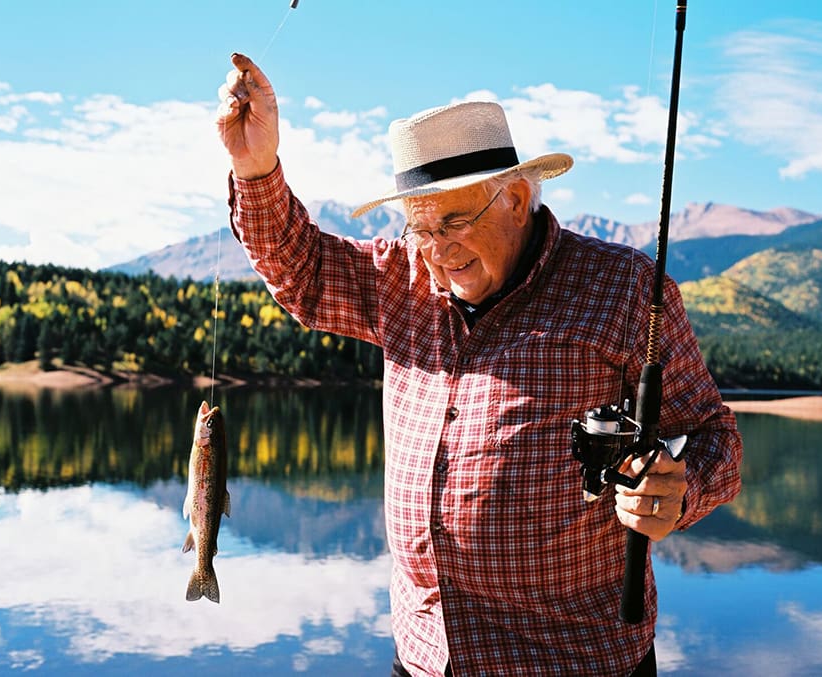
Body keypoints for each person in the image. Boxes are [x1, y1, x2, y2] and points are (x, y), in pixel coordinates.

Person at [216, 52, 742, 677]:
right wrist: (254, 167)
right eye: (420, 227)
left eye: (455, 221)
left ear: (517, 199)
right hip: (425, 659)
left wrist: (680, 490)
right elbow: (300, 267)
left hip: (575, 662)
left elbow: (716, 441)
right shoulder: (400, 278)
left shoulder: (623, 290)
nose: (436, 250)